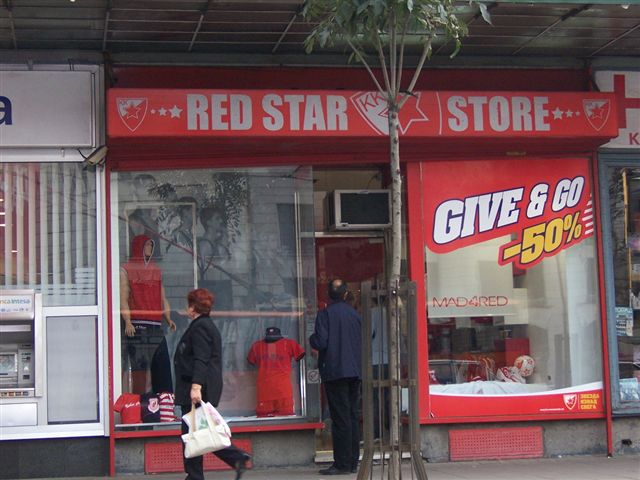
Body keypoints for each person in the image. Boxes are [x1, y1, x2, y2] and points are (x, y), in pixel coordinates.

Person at [174, 288, 251, 480]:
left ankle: (230, 460)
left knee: (196, 433)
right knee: (198, 432)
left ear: (193, 307)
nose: (187, 308)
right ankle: (235, 459)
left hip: (198, 388)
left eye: (189, 304)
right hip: (199, 386)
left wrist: (196, 386)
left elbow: (201, 359)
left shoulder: (200, 327)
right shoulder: (205, 325)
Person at [310, 279, 362, 475]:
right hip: (354, 370)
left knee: (340, 418)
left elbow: (320, 342)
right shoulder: (355, 315)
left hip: (334, 370)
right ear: (346, 294)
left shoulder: (325, 314)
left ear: (329, 294)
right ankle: (352, 461)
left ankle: (341, 463)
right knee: (352, 416)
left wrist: (311, 339)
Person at [120, 234, 176, 394]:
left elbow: (163, 298)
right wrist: (128, 321)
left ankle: (164, 401)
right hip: (137, 326)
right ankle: (139, 402)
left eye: (151, 245)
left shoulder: (156, 271)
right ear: (138, 247)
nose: (150, 248)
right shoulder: (126, 270)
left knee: (162, 366)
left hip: (156, 325)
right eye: (147, 245)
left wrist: (168, 318)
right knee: (139, 369)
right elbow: (123, 298)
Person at [247, 326, 305, 417]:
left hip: (273, 392)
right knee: (275, 419)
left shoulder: (289, 344)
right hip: (275, 391)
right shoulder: (257, 346)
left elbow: (251, 361)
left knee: (279, 419)